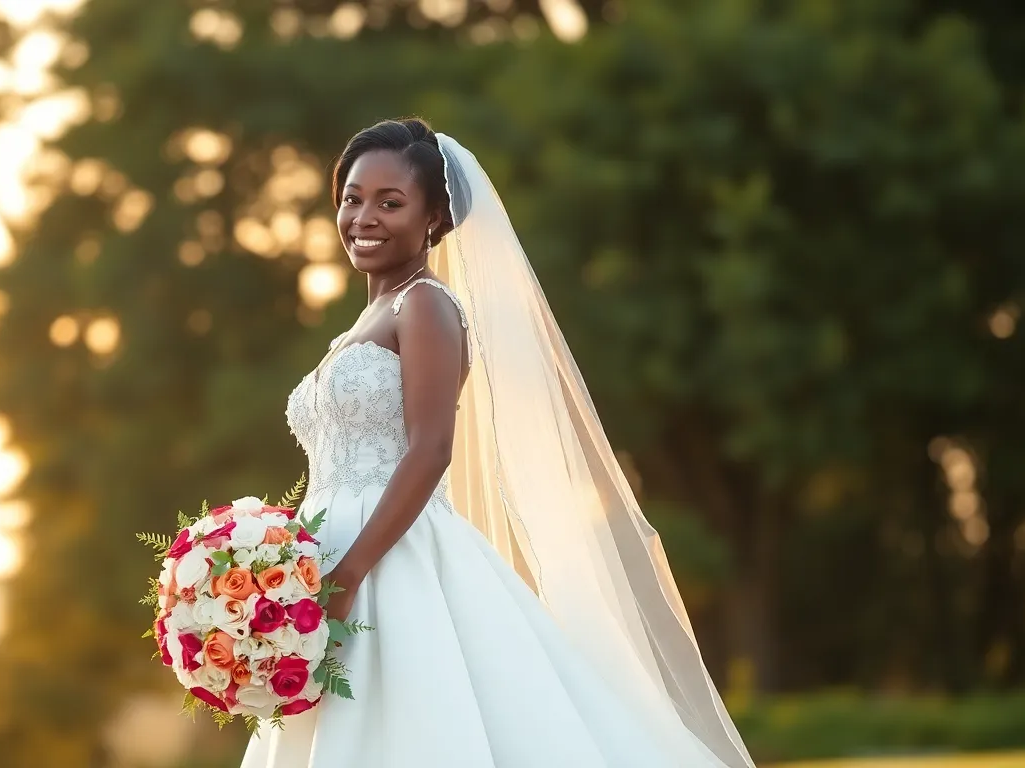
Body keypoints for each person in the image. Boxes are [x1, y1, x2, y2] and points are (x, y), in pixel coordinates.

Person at [240, 118, 756, 767]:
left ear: (434, 217)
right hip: (323, 559)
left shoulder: (424, 306)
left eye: (390, 203)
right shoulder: (363, 322)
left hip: (387, 560)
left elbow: (431, 449)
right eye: (352, 198)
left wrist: (347, 576)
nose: (364, 217)